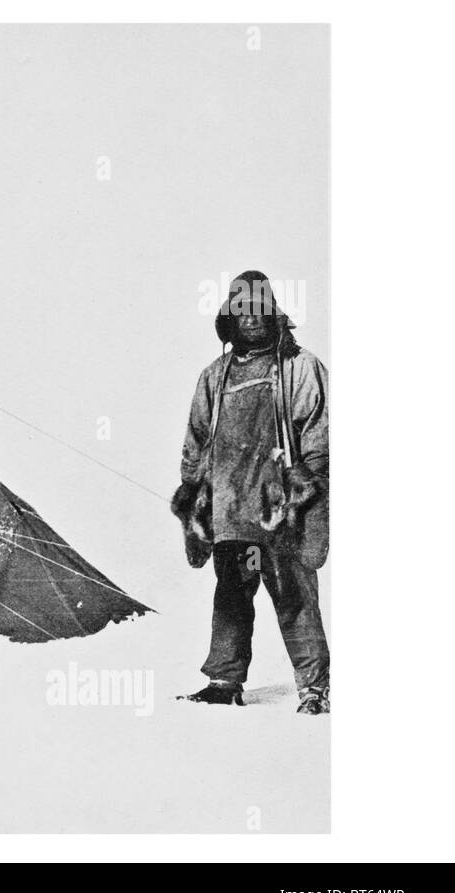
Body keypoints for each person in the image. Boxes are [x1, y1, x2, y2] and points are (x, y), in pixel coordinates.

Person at [172, 272, 330, 714]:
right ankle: (224, 681)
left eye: (260, 308)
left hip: (281, 510)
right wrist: (193, 496)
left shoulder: (300, 367)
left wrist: (311, 489)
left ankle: (314, 688)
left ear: (274, 312)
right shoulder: (214, 377)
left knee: (295, 596)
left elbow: (318, 434)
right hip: (230, 511)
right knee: (231, 596)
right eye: (242, 310)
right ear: (230, 318)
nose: (252, 318)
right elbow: (196, 440)